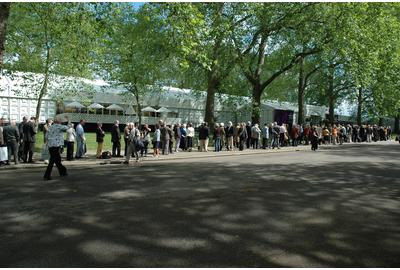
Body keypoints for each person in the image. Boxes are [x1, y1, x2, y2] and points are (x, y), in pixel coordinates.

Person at [43, 115, 70, 181]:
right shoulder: (59, 126)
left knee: (57, 160)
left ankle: (63, 171)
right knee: (52, 161)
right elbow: (68, 127)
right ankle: (47, 175)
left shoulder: (50, 127)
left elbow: (46, 136)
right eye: (60, 120)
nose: (61, 121)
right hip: (56, 146)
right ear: (59, 121)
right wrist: (68, 120)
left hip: (50, 146)